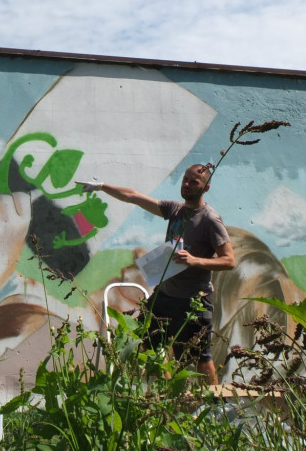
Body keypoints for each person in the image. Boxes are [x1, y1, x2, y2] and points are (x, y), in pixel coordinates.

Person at [82, 164, 235, 384]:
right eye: (185, 180)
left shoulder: (210, 220)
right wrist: (101, 186)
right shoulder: (175, 211)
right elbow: (133, 197)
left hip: (194, 301)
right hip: (164, 295)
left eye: (194, 182)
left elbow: (229, 260)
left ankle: (214, 406)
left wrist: (195, 260)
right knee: (147, 345)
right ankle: (164, 399)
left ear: (206, 188)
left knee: (200, 357)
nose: (187, 185)